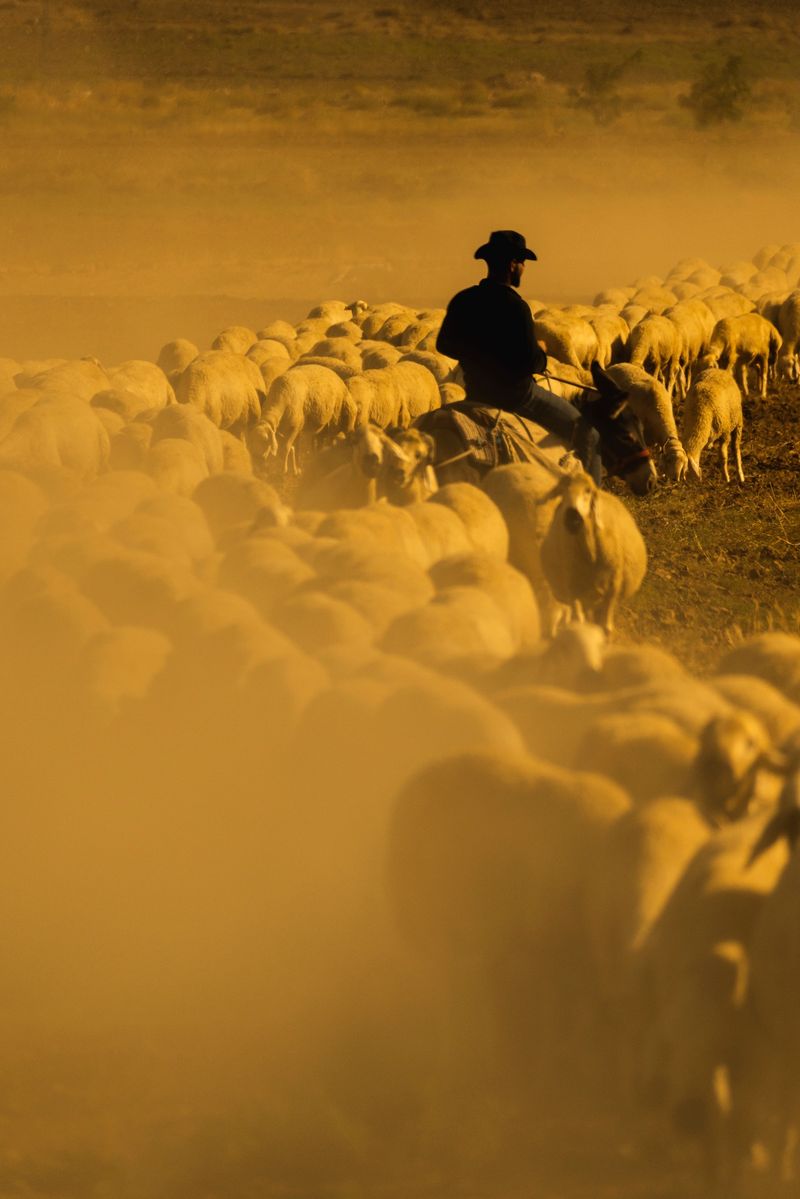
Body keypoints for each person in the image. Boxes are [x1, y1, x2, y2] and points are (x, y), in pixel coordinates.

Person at [436, 229, 601, 482]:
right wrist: (541, 352)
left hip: (476, 391)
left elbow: (444, 345)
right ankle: (593, 500)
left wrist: (478, 353)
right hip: (517, 396)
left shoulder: (464, 300)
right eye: (522, 262)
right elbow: (528, 362)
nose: (524, 268)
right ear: (512, 265)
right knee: (589, 434)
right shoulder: (516, 307)